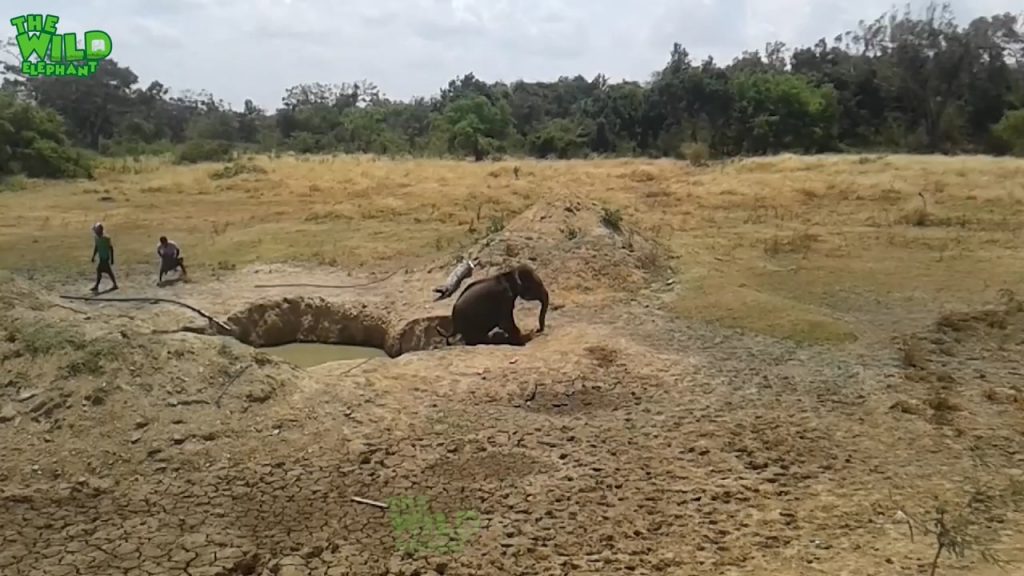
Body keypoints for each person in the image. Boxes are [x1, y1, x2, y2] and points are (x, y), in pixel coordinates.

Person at [90, 223, 118, 293]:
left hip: (105, 258)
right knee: (105, 271)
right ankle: (114, 284)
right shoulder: (96, 238)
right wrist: (93, 256)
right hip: (101, 257)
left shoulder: (106, 238)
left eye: (96, 230)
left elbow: (111, 248)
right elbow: (96, 247)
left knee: (101, 270)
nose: (95, 232)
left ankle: (97, 286)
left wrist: (112, 259)